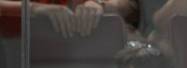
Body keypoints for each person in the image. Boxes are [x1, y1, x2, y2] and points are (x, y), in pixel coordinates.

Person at [0, 0, 139, 38]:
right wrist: (31, 8)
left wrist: (99, 4)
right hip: (15, 64)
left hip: (88, 64)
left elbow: (130, 5)